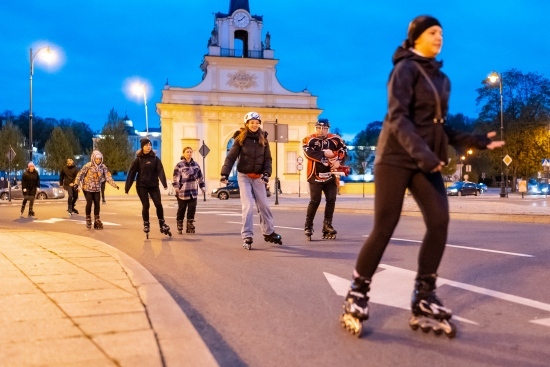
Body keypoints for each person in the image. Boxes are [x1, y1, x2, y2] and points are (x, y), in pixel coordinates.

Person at [340, 15, 505, 338]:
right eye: (432, 32)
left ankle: (424, 294)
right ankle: (358, 291)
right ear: (415, 37)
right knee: (385, 225)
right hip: (395, 158)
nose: (439, 36)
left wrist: (477, 141)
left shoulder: (442, 79)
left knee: (439, 221)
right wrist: (426, 156)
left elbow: (438, 126)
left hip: (424, 160)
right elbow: (399, 118)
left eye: (441, 32)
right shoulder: (403, 70)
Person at [220, 111, 282, 250]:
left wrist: (266, 173)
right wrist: (224, 174)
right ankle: (247, 235)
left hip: (259, 177)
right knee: (248, 206)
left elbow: (268, 159)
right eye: (251, 122)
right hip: (244, 176)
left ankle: (269, 232)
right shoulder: (240, 139)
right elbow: (230, 157)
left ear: (259, 124)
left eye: (256, 122)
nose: (254, 125)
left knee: (264, 206)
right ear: (247, 124)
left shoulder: (263, 139)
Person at [302, 119, 347, 240]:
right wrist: (324, 156)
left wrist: (338, 159)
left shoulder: (335, 139)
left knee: (331, 200)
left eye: (325, 128)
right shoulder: (309, 139)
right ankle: (308, 226)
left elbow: (344, 149)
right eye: (319, 128)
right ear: (316, 128)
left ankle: (327, 225)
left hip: (330, 175)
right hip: (315, 175)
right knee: (315, 201)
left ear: (328, 129)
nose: (322, 131)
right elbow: (308, 152)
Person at [125, 138, 171, 237]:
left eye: (150, 145)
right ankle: (146, 224)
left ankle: (162, 223)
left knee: (158, 204)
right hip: (142, 186)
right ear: (142, 147)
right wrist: (127, 187)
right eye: (146, 145)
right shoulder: (138, 159)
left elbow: (160, 171)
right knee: (146, 205)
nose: (148, 147)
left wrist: (164, 184)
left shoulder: (155, 159)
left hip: (154, 185)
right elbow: (132, 173)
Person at [74, 150, 119, 229]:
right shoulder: (88, 165)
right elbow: (80, 174)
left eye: (99, 159)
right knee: (89, 202)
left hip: (97, 188)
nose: (98, 161)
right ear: (93, 158)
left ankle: (97, 219)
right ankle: (88, 219)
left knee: (97, 203)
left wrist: (114, 185)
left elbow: (108, 176)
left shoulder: (103, 167)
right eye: (97, 159)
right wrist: (76, 183)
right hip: (87, 188)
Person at [172, 147, 206, 234]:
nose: (189, 153)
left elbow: (200, 177)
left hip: (193, 191)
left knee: (192, 208)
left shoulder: (196, 165)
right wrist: (176, 187)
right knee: (181, 209)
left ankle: (190, 225)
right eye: (187, 152)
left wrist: (202, 186)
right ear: (183, 153)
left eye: (191, 152)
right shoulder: (179, 165)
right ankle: (180, 225)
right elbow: (176, 178)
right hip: (182, 192)